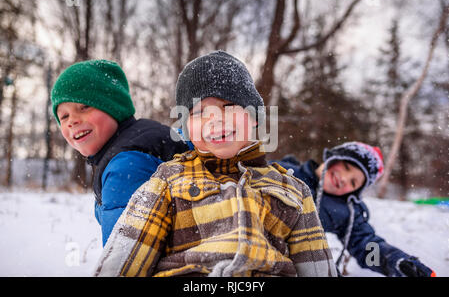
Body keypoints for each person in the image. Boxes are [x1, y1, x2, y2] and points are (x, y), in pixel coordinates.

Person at [93, 51, 337, 277]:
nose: (215, 119)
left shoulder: (293, 190)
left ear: (254, 118)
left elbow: (317, 268)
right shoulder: (167, 181)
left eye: (228, 106)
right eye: (198, 112)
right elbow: (124, 261)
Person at [51, 59, 190, 246]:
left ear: (113, 107)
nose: (72, 121)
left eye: (84, 107)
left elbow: (124, 254)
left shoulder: (124, 165)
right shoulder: (144, 136)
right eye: (64, 116)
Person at [275, 141, 436, 277]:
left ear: (355, 192)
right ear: (332, 157)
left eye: (353, 183)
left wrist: (394, 260)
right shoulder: (281, 171)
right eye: (346, 166)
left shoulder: (345, 211)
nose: (344, 178)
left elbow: (365, 245)